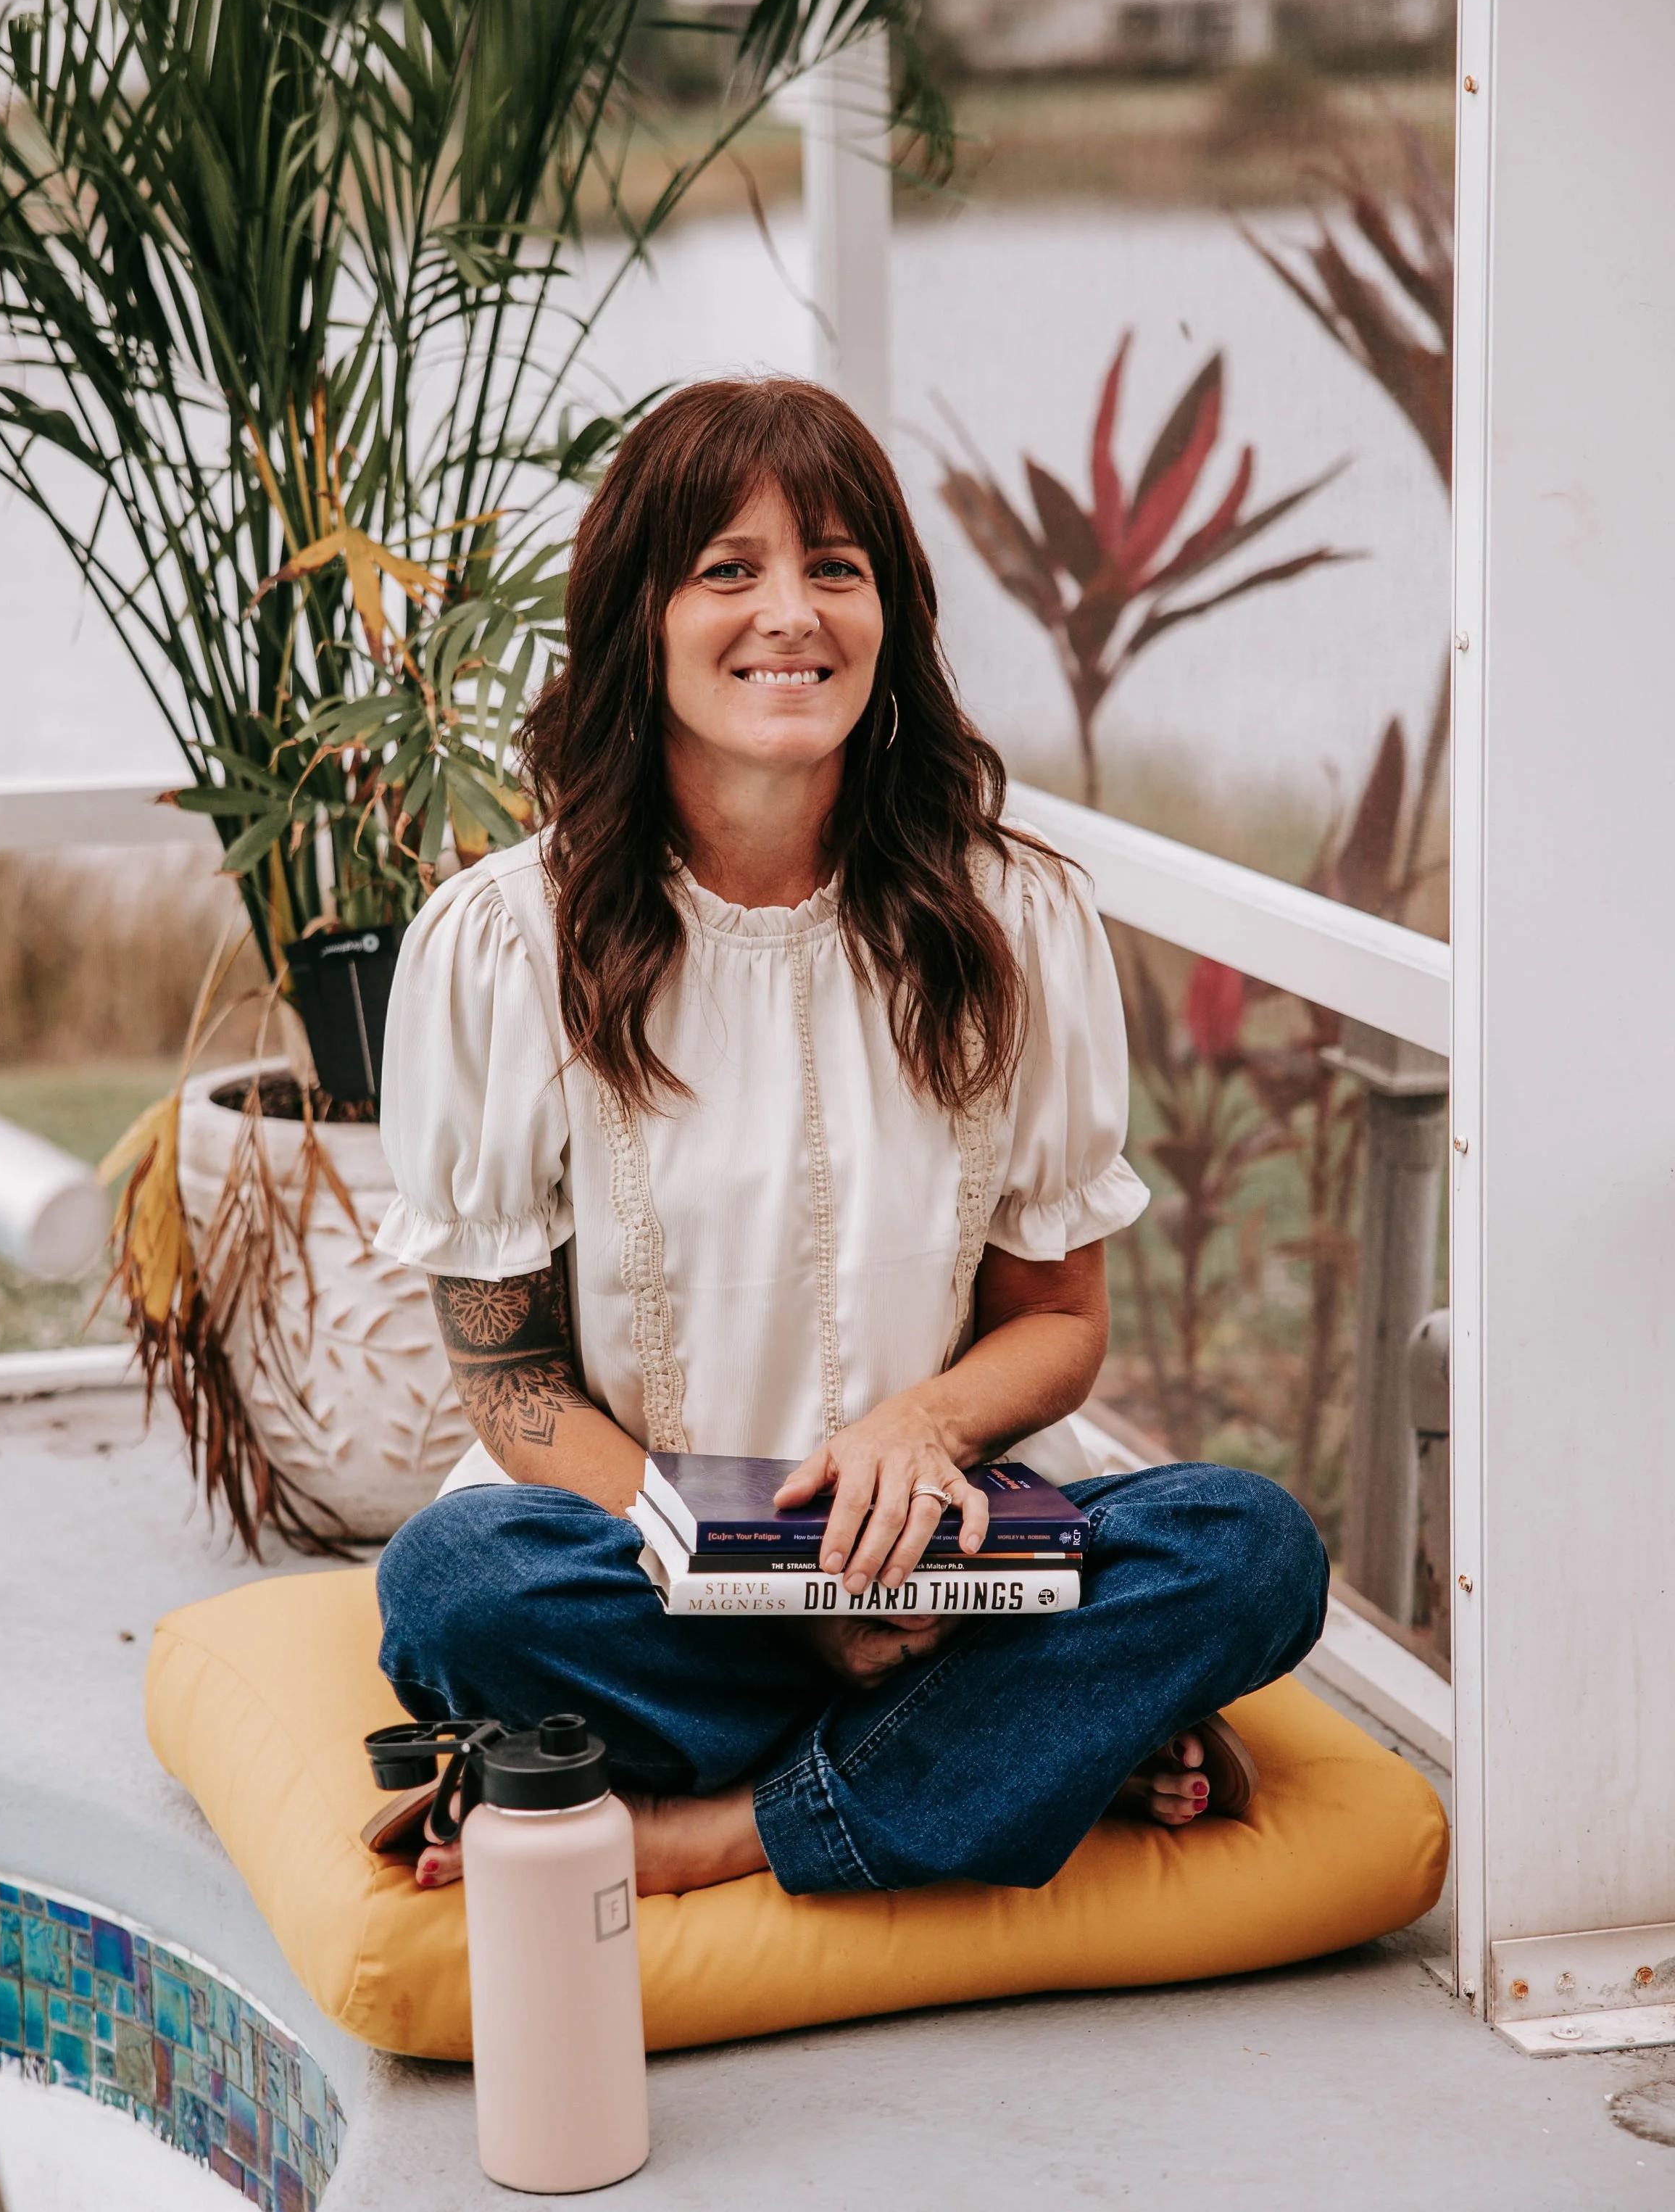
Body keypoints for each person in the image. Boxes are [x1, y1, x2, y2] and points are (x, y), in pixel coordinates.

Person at [373, 376, 1327, 1897]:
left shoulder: (1019, 919)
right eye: (727, 570)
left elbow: (1057, 1324)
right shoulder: (503, 942)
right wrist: (775, 1595)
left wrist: (925, 1431)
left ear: (889, 614)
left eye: (835, 566)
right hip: (644, 1564)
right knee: (459, 1592)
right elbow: (510, 1381)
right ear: (641, 616)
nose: (790, 614)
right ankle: (1003, 1745)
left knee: (1252, 1546)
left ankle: (719, 1827)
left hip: (952, 1569)